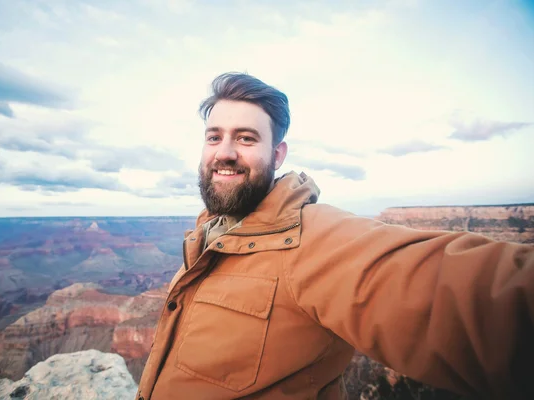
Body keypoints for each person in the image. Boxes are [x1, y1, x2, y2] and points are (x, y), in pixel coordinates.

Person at [136, 73, 533, 400]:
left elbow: (471, 294)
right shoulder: (208, 234)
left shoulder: (315, 238)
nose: (224, 152)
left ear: (277, 155)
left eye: (246, 138)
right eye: (214, 136)